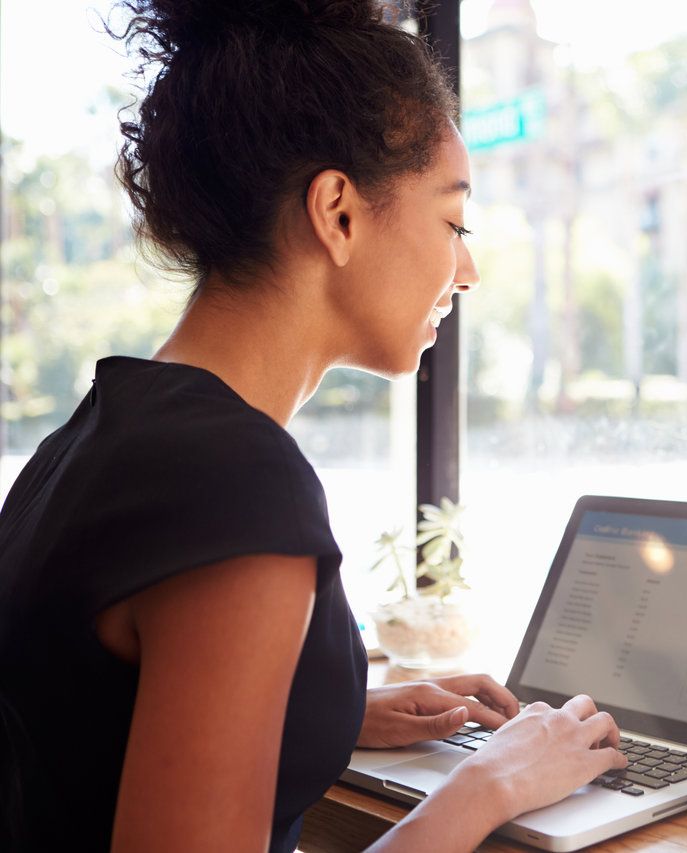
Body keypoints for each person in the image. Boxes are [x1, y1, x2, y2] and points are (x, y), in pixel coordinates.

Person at [0, 1, 628, 850]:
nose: (467, 268)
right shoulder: (237, 487)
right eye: (453, 220)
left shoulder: (95, 435)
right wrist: (489, 783)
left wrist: (317, 711)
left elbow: (89, 730)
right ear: (337, 212)